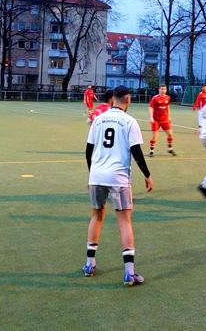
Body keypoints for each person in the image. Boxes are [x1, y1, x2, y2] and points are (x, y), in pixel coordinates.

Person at [83, 86, 154, 286]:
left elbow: (88, 151)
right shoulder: (129, 121)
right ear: (128, 99)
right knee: (124, 221)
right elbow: (136, 152)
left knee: (96, 216)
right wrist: (147, 175)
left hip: (96, 176)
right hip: (119, 178)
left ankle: (89, 265)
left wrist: (92, 174)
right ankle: (129, 273)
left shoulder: (98, 119)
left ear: (112, 99)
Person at [148, 85, 176, 157]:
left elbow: (167, 107)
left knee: (170, 134)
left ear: (166, 90)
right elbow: (151, 107)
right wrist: (151, 117)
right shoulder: (155, 98)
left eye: (164, 89)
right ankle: (151, 150)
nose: (163, 90)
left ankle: (170, 149)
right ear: (159, 90)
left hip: (165, 119)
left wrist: (169, 116)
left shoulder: (167, 98)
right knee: (155, 136)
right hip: (156, 120)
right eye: (161, 89)